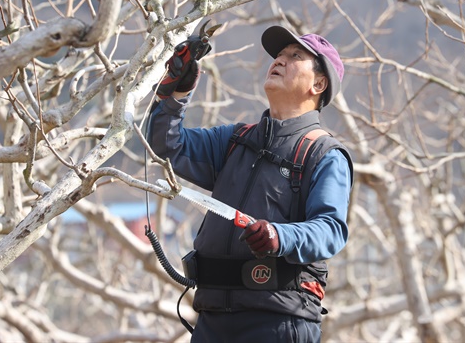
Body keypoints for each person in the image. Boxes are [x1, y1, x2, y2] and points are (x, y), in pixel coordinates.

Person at [147, 25, 353, 343]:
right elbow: (166, 147)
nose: (280, 60)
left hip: (279, 323)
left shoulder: (324, 154)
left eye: (295, 56)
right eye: (279, 55)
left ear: (319, 83)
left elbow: (330, 230)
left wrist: (279, 235)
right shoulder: (235, 140)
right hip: (211, 321)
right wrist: (175, 94)